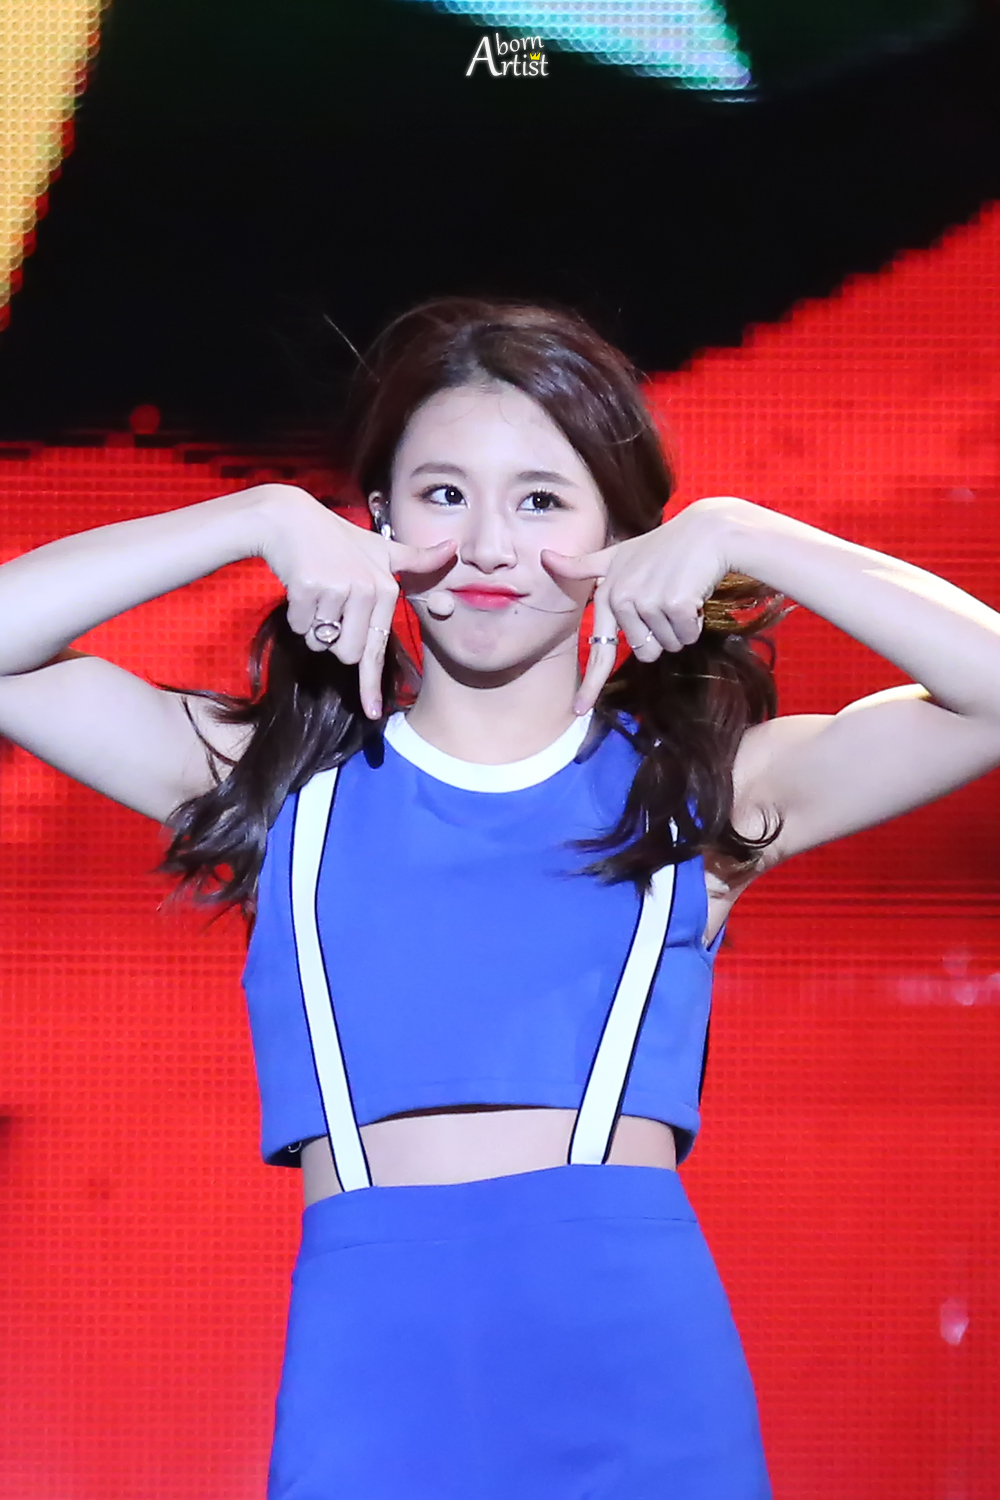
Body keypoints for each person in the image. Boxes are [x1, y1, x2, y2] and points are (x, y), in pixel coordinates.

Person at [1, 299, 999, 1500]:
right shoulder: (284, 783)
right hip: (373, 1379)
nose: (485, 547)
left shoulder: (699, 794)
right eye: (441, 495)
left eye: (540, 501)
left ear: (621, 537)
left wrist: (747, 534)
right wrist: (253, 517)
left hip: (636, 1379)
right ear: (375, 520)